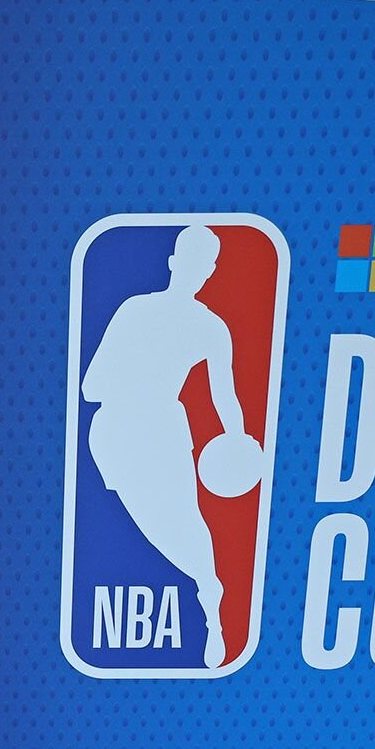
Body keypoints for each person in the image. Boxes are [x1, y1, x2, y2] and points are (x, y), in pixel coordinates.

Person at [82, 224, 247, 668]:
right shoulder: (146, 313)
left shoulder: (197, 324)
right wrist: (236, 436)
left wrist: (238, 439)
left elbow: (224, 397)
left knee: (182, 521)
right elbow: (90, 385)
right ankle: (209, 589)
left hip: (152, 426)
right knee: (163, 523)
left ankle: (211, 600)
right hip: (123, 429)